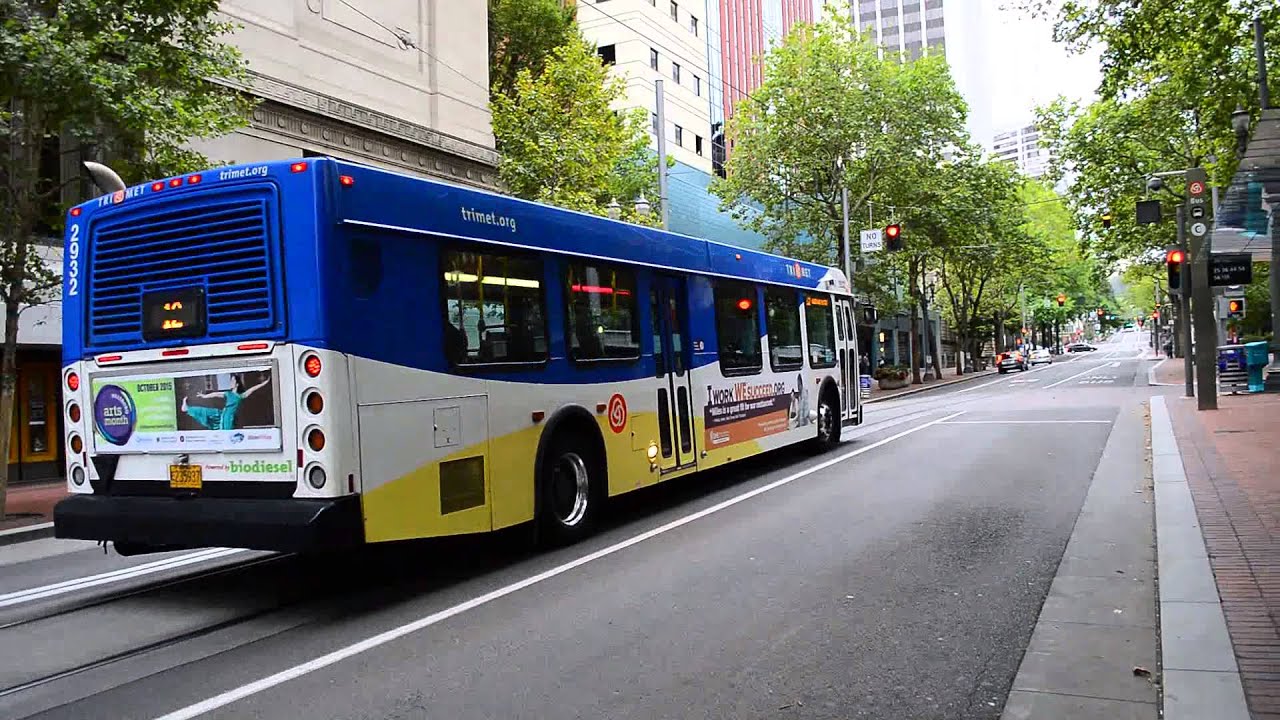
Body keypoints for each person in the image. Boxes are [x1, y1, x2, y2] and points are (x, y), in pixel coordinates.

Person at [182, 374, 271, 431]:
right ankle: (188, 409)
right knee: (207, 411)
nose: (231, 383)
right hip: (223, 413)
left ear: (237, 384)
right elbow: (215, 394)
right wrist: (204, 396)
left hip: (229, 417)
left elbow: (253, 389)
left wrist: (265, 383)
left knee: (225, 430)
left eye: (232, 381)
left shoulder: (240, 396)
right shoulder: (228, 394)